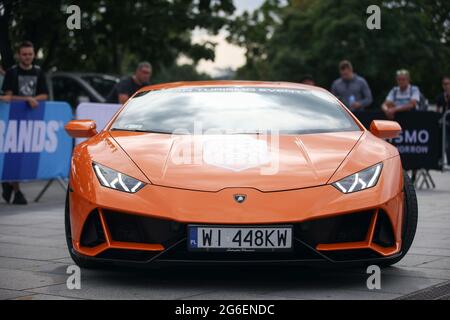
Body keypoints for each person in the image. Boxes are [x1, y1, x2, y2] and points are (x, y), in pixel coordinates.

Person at [1, 40, 49, 205]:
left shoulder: (38, 72)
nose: (27, 57)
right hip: (12, 121)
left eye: (30, 54)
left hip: (32, 122)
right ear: (19, 55)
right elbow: (7, 97)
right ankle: (16, 190)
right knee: (14, 154)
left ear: (34, 55)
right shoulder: (12, 72)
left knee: (22, 154)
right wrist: (26, 99)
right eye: (24, 54)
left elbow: (44, 95)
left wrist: (33, 99)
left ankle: (9, 185)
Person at [436, 76, 450, 164]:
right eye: (445, 84)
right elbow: (437, 110)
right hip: (445, 124)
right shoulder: (440, 97)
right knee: (446, 144)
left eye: (448, 84)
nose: (447, 86)